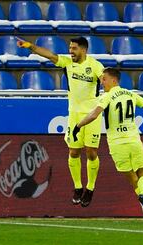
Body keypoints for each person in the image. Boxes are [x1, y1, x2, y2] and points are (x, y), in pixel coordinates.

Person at [73, 68, 143, 222]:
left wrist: (78, 126)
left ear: (114, 80)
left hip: (117, 144)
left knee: (134, 181)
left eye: (104, 79)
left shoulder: (106, 96)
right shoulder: (130, 94)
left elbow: (94, 114)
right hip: (134, 140)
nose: (101, 82)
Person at [17, 37, 104, 207]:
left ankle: (90, 188)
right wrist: (31, 46)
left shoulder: (95, 65)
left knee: (91, 152)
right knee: (74, 152)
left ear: (84, 50)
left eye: (74, 48)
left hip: (93, 115)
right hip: (74, 115)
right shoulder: (66, 62)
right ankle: (78, 187)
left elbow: (105, 79)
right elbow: (50, 55)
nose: (71, 51)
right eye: (70, 48)